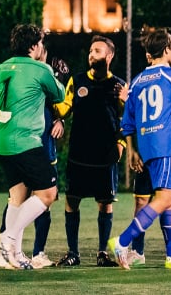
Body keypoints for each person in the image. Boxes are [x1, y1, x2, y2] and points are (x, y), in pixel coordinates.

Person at [111, 29, 171, 270]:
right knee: (164, 198)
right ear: (166, 50)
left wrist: (132, 150)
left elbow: (127, 121)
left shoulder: (137, 80)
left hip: (145, 145)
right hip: (164, 143)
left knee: (170, 198)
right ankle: (122, 241)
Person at [0, 23, 66, 271]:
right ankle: (8, 237)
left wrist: (2, 121)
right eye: (40, 43)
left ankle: (11, 255)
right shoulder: (40, 68)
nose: (42, 47)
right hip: (26, 141)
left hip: (2, 141)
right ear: (34, 46)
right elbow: (59, 95)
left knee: (17, 196)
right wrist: (50, 69)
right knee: (48, 194)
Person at [53, 36, 125, 268]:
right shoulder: (78, 80)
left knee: (105, 203)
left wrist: (121, 145)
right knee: (72, 200)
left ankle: (102, 253)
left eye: (97, 51)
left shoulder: (119, 86)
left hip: (105, 155)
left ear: (109, 56)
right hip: (79, 153)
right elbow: (64, 108)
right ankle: (73, 252)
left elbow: (127, 120)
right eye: (91, 50)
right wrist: (55, 88)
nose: (92, 54)